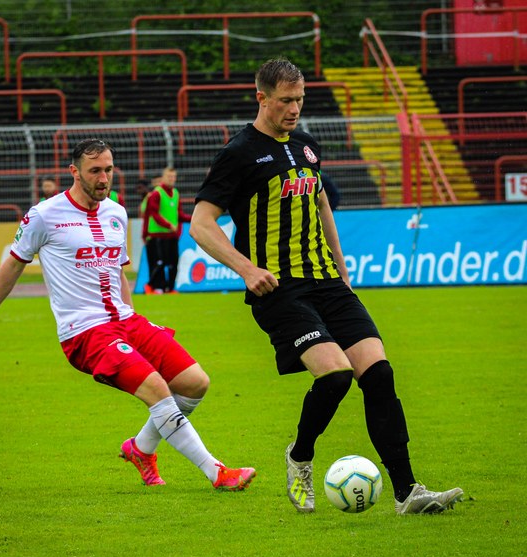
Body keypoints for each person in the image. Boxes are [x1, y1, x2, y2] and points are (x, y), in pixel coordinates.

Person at [190, 58, 462, 514]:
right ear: (262, 98)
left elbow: (321, 206)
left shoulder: (306, 146)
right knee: (335, 375)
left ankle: (407, 493)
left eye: (300, 99)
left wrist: (342, 269)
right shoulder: (238, 153)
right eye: (285, 101)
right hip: (280, 290)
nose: (295, 109)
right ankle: (300, 457)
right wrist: (247, 270)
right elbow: (201, 223)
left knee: (379, 375)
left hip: (329, 283)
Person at [0, 138, 256, 493]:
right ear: (75, 172)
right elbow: (13, 264)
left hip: (125, 322)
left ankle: (141, 449)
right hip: (85, 333)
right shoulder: (44, 215)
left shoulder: (115, 211)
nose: (103, 178)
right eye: (95, 171)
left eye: (109, 170)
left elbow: (117, 272)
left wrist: (136, 322)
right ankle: (217, 473)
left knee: (195, 383)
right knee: (158, 390)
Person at [141, 167, 191, 294]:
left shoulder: (176, 193)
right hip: (158, 234)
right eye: (169, 176)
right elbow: (153, 214)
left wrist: (193, 219)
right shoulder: (156, 194)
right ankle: (151, 286)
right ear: (163, 178)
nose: (171, 179)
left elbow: (179, 214)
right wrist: (168, 225)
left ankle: (170, 288)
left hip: (172, 235)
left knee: (173, 263)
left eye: (173, 177)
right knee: (159, 263)